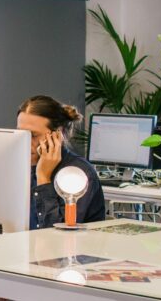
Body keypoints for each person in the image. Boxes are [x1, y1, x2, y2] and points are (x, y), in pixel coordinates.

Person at [16, 95, 105, 229]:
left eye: (33, 135)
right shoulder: (17, 166)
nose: (26, 142)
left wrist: (43, 177)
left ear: (58, 134)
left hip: (68, 249)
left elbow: (56, 236)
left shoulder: (78, 173)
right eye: (21, 134)